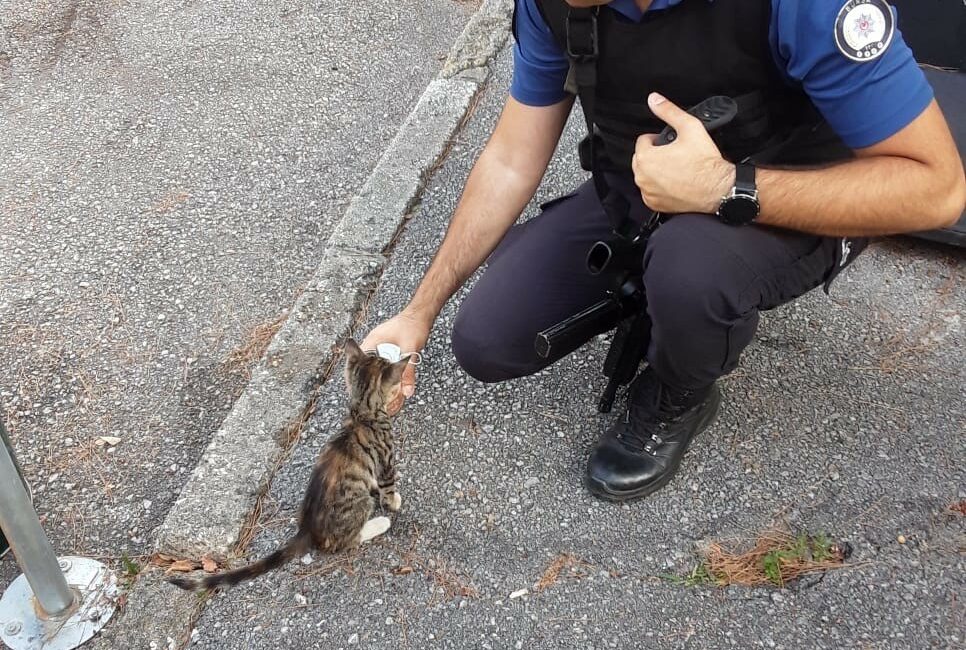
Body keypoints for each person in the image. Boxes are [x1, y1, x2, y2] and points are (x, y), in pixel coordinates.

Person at [362, 0, 965, 502]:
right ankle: (659, 290)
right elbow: (511, 159)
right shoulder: (552, 6)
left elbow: (937, 190)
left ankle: (679, 391)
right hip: (647, 187)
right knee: (489, 340)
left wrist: (725, 187)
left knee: (692, 271)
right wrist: (420, 310)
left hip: (796, 193)